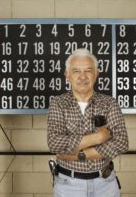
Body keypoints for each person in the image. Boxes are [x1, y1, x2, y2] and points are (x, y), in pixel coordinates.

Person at [47, 48, 128, 197]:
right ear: (67, 75)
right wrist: (97, 138)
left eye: (88, 71)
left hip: (106, 185)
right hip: (68, 186)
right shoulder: (58, 104)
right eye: (76, 71)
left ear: (96, 74)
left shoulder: (109, 104)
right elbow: (54, 143)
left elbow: (121, 142)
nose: (82, 77)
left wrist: (81, 155)